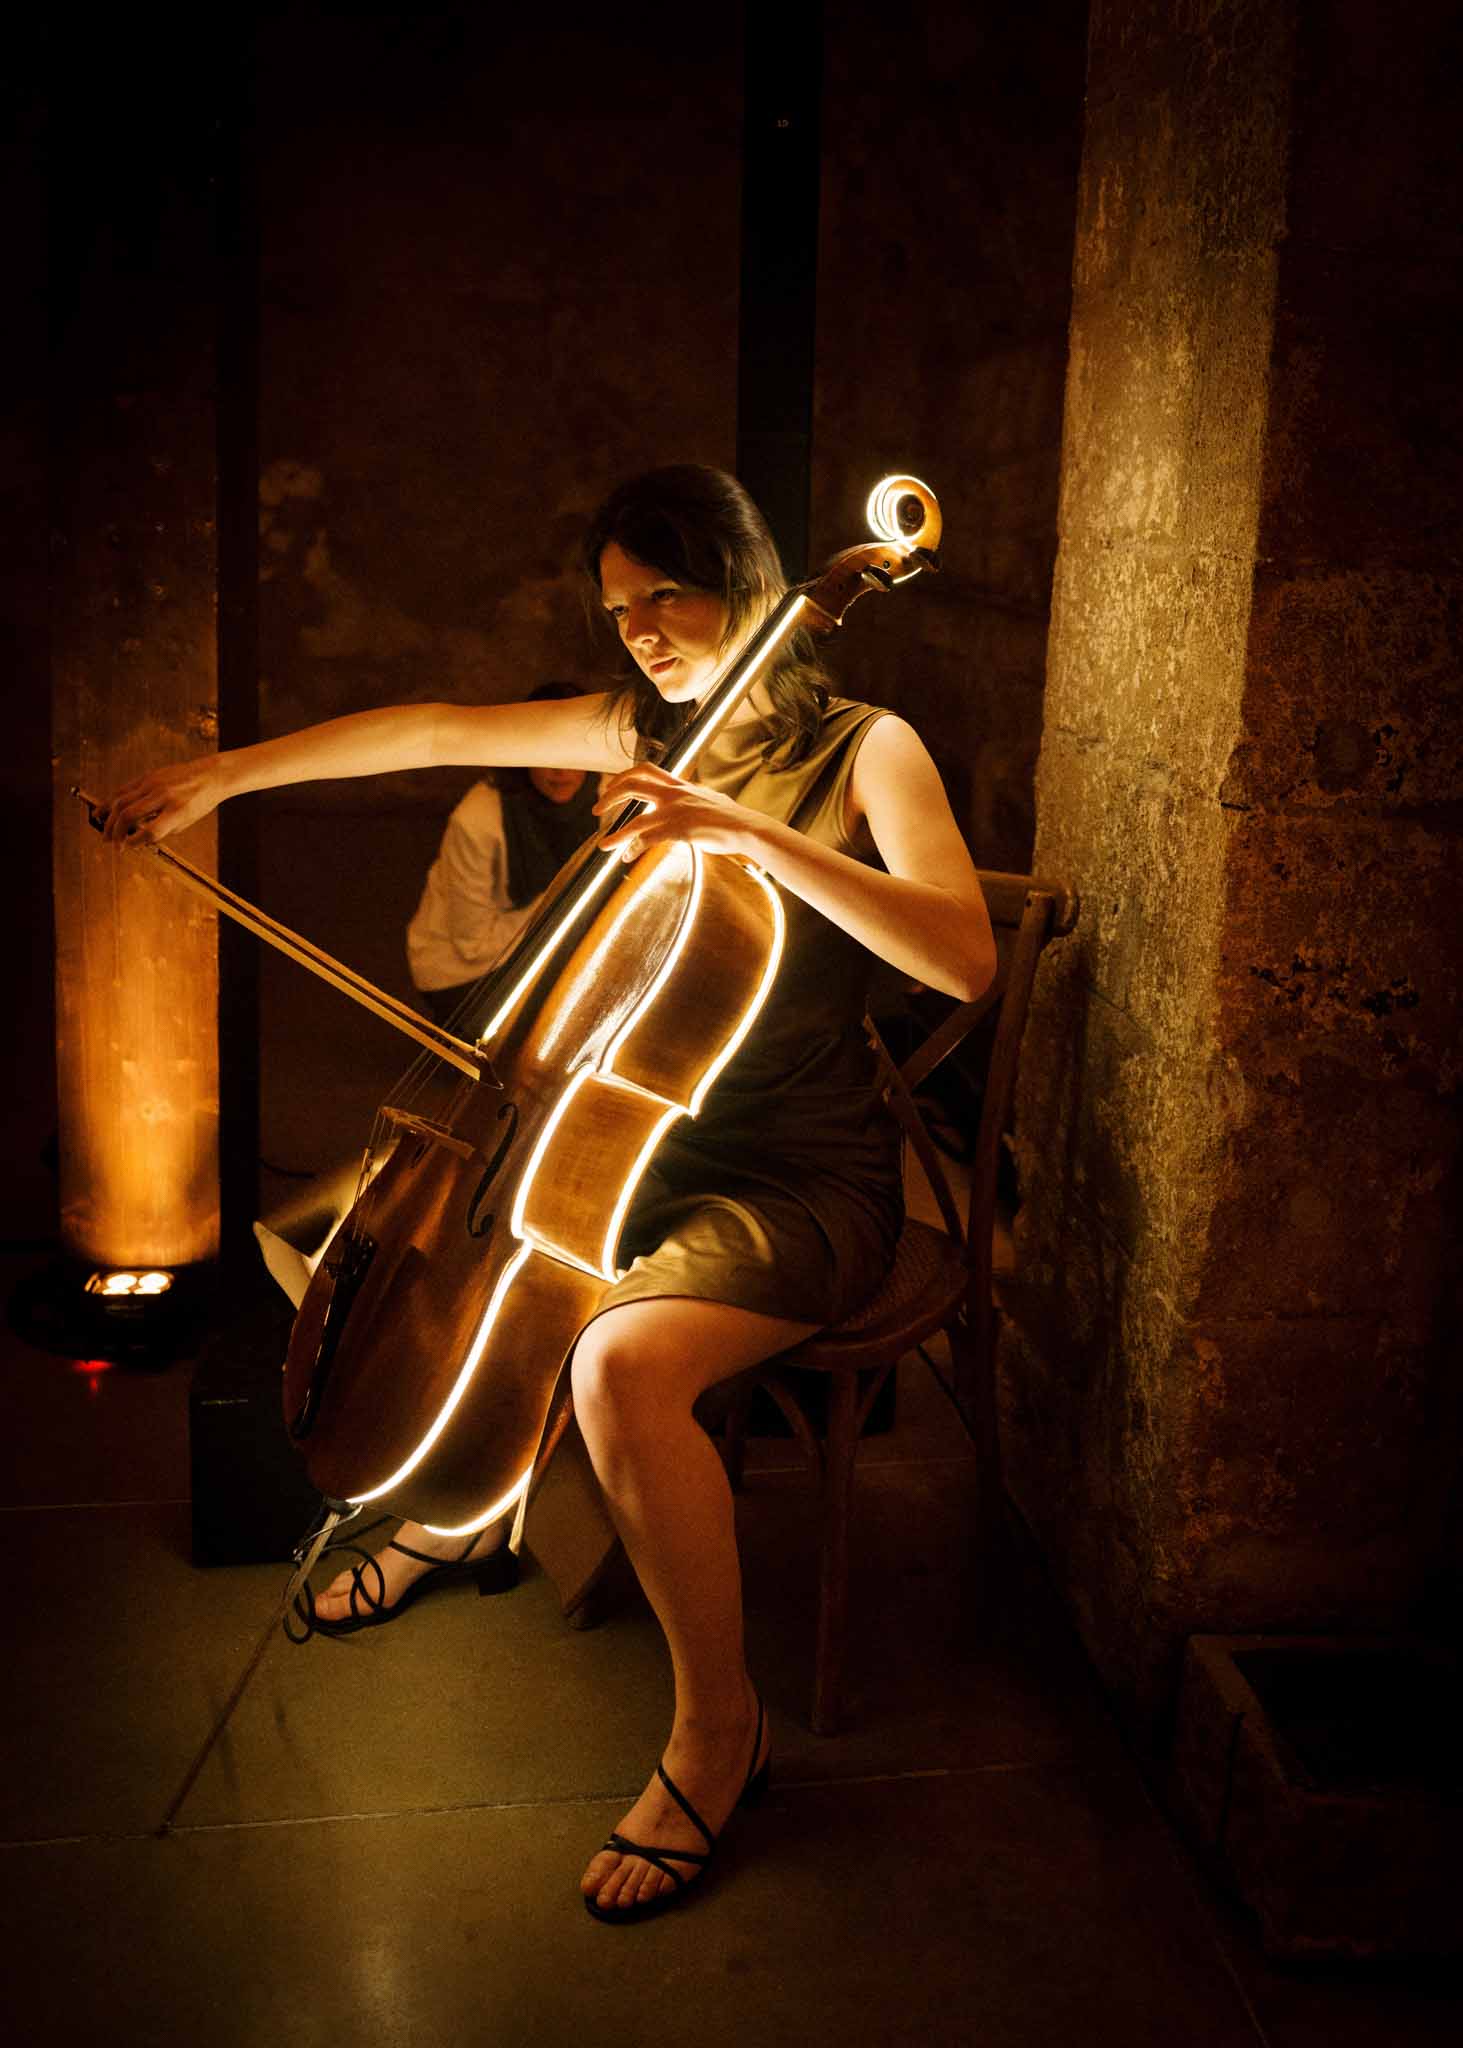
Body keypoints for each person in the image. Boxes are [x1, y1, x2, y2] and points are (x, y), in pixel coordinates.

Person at [102, 464, 995, 1925]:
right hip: (622, 1142)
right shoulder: (637, 727)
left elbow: (961, 957)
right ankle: (462, 1501)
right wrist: (223, 775)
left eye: (666, 594)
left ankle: (717, 1730)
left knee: (618, 1363)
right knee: (402, 1242)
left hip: (795, 1180)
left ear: (744, 580)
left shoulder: (862, 749)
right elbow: (429, 727)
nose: (639, 630)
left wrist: (746, 835)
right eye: (618, 607)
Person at [406, 681, 601, 1025]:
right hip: (462, 973)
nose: (561, 770)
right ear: (524, 749)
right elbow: (472, 944)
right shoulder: (478, 817)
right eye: (547, 752)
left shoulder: (607, 791)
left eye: (573, 751)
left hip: (536, 943)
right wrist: (567, 904)